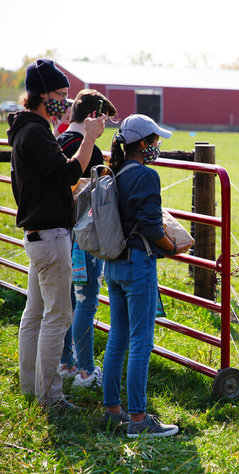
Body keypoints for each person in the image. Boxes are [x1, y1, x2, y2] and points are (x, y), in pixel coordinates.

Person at [7, 58, 106, 409]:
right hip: (50, 237)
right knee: (57, 317)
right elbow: (66, 172)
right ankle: (50, 397)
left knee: (34, 314)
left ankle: (31, 387)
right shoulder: (35, 132)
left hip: (39, 236)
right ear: (41, 94)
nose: (64, 102)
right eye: (60, 95)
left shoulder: (27, 129)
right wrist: (90, 138)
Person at [101, 114, 190, 436]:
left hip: (114, 264)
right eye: (154, 141)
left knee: (118, 336)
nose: (157, 146)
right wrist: (173, 247)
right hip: (139, 264)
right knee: (141, 341)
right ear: (142, 144)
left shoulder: (115, 172)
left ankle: (113, 409)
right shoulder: (146, 176)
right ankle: (138, 421)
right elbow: (152, 227)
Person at [56, 90, 118, 388]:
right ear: (95, 116)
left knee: (69, 298)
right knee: (87, 300)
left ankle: (65, 362)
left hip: (61, 232)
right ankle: (85, 370)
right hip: (84, 237)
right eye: (104, 117)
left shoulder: (60, 142)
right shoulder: (88, 150)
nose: (106, 124)